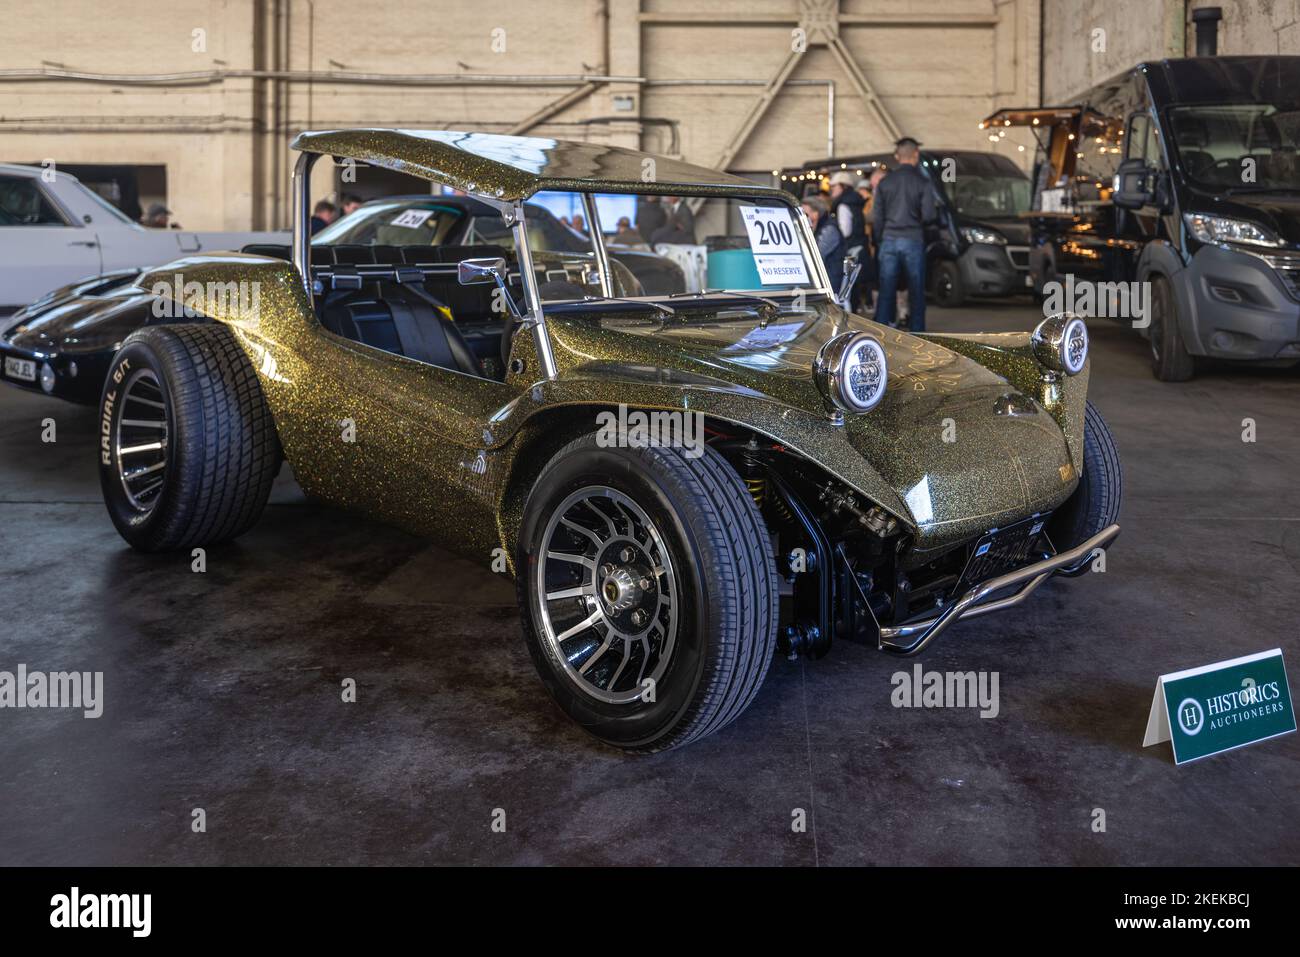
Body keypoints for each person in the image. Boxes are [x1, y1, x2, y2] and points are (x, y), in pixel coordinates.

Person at [871, 137, 935, 331]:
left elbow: (877, 217)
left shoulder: (885, 183)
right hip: (913, 239)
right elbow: (929, 215)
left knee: (886, 290)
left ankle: (882, 333)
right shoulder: (923, 182)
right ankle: (918, 335)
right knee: (916, 290)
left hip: (889, 240)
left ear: (897, 156)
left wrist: (879, 240)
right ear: (916, 154)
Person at [829, 171, 867, 308]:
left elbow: (845, 231)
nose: (831, 190)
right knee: (853, 289)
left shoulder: (843, 204)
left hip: (849, 251)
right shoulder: (854, 201)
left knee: (845, 293)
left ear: (843, 187)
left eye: (834, 187)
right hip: (859, 248)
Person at [802, 195, 844, 292]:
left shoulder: (829, 229)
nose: (801, 215)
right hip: (823, 279)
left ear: (816, 214)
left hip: (830, 283)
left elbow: (816, 255)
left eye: (804, 212)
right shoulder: (818, 227)